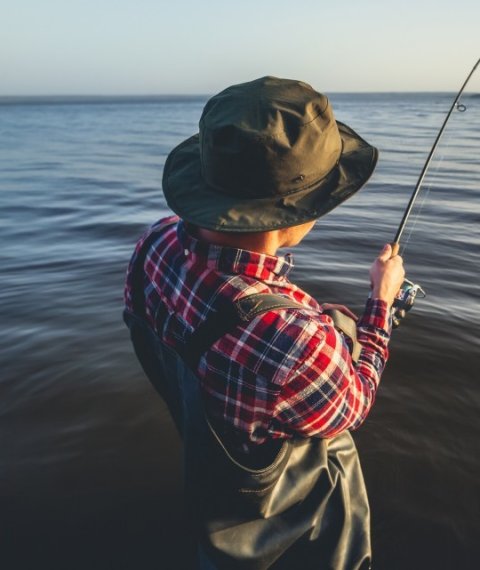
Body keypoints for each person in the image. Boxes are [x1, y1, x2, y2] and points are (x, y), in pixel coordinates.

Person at [123, 76, 405, 569]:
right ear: (292, 211)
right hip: (290, 522)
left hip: (207, 467)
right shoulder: (293, 340)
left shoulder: (154, 243)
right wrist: (379, 305)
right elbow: (354, 405)